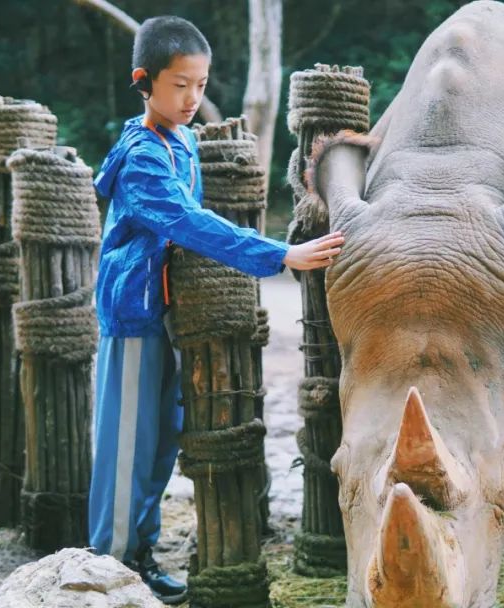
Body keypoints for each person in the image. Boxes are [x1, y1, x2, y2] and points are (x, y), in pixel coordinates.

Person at [89, 15, 343, 604]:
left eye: (200, 85)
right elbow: (184, 221)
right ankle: (105, 576)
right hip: (132, 318)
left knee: (156, 450)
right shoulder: (144, 156)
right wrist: (281, 253)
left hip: (166, 316)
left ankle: (138, 560)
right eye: (180, 84)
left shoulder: (180, 142)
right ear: (144, 81)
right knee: (127, 452)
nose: (192, 97)